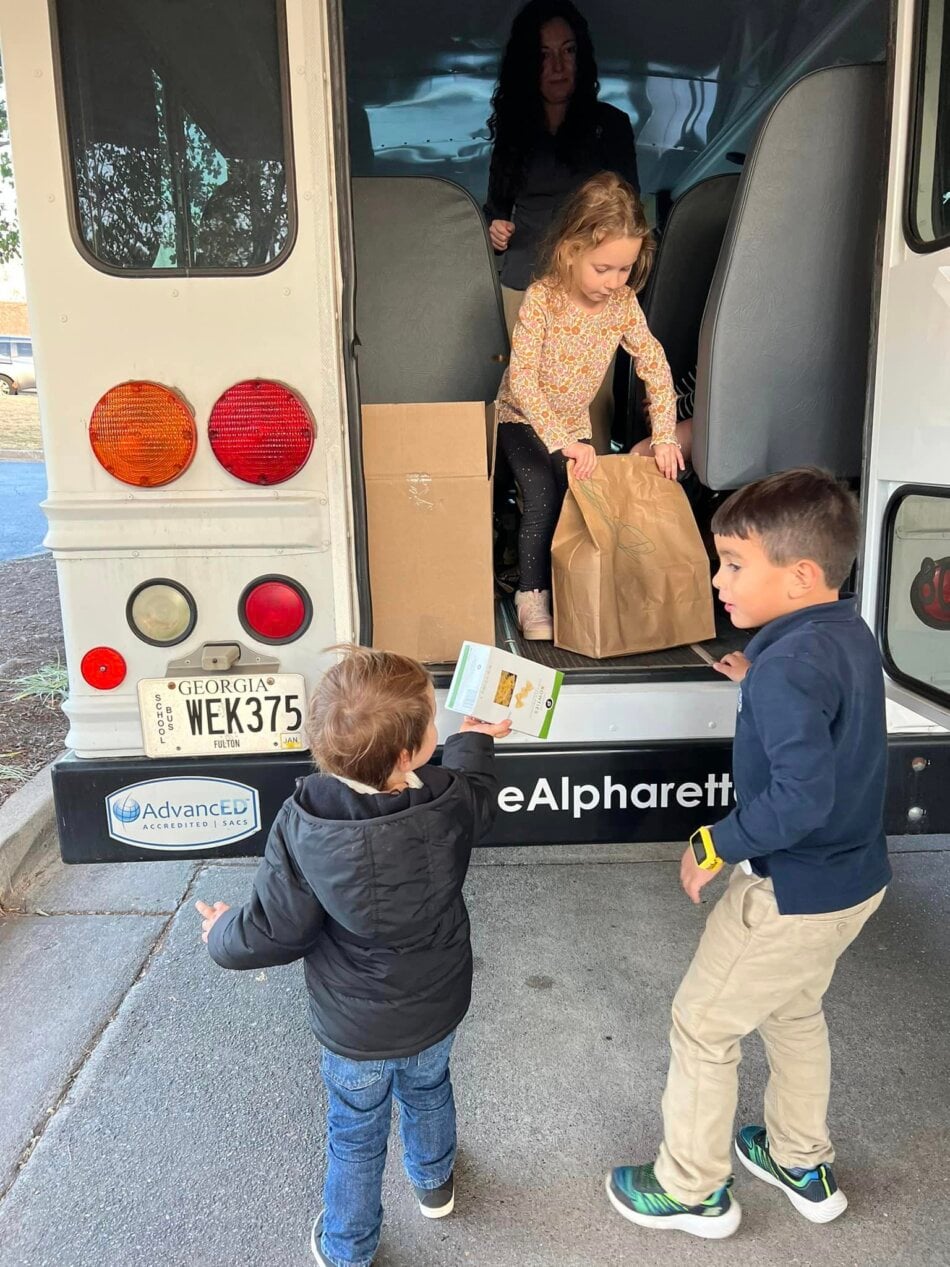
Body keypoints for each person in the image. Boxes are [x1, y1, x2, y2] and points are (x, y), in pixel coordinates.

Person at [605, 468, 891, 1239]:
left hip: (790, 892)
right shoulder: (841, 631)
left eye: (734, 563)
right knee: (793, 1008)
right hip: (854, 882)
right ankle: (800, 1158)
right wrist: (757, 676)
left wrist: (713, 842)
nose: (716, 579)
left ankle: (691, 1187)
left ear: (800, 575)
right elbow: (820, 711)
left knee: (703, 1023)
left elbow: (800, 800)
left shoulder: (787, 670)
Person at [195, 646, 510, 1267]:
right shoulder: (446, 799)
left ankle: (347, 1247)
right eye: (432, 721)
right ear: (409, 753)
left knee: (355, 1133)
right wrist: (475, 741)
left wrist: (223, 932)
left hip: (352, 1028)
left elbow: (275, 930)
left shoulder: (303, 820)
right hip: (436, 1003)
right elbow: (477, 794)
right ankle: (435, 1184)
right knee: (429, 1089)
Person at [495, 170, 682, 641]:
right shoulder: (543, 298)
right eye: (604, 269)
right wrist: (562, 442)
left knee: (579, 496)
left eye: (625, 269)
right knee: (540, 489)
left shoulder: (622, 304)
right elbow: (522, 380)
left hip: (573, 426)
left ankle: (573, 591)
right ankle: (531, 596)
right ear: (571, 250)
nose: (614, 281)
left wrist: (663, 435)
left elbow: (654, 365)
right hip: (520, 417)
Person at [485, 0, 639, 452]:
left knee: (592, 403)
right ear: (526, 66)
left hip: (588, 288)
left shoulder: (610, 125)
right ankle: (524, 505)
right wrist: (495, 228)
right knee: (523, 397)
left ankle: (590, 504)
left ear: (582, 57)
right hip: (523, 281)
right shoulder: (514, 128)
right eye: (544, 55)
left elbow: (628, 209)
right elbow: (497, 209)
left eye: (568, 52)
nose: (557, 66)